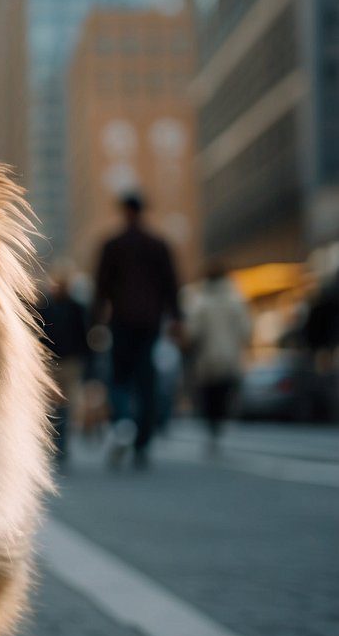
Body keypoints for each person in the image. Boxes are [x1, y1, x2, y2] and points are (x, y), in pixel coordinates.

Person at [91, 192, 182, 469]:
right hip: (150, 322)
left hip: (122, 321)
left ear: (124, 212)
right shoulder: (158, 245)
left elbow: (101, 287)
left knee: (119, 377)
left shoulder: (112, 245)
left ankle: (123, 423)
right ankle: (142, 441)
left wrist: (94, 322)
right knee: (147, 381)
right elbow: (171, 285)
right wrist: (176, 317)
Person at [184, 262, 250, 455]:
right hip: (230, 356)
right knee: (224, 393)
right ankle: (220, 428)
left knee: (209, 396)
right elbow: (245, 330)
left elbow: (193, 331)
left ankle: (213, 430)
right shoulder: (236, 299)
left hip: (207, 358)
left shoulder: (200, 301)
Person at [37, 264, 90, 469]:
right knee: (49, 404)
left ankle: (61, 443)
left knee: (65, 405)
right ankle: (51, 442)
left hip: (70, 362)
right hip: (48, 361)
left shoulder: (77, 307)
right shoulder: (44, 305)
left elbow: (84, 336)